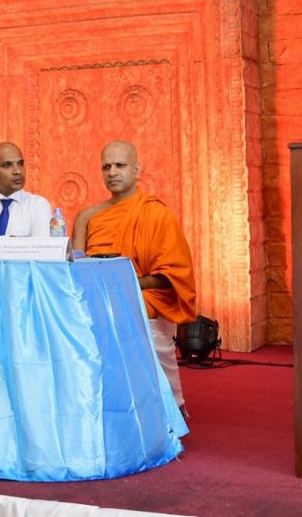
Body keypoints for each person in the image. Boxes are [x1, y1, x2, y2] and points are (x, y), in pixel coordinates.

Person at [71, 141, 196, 412]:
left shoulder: (156, 214)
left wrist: (127, 284)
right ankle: (105, 410)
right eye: (106, 167)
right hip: (100, 298)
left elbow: (171, 276)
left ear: (136, 169)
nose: (113, 172)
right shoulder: (87, 217)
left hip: (143, 296)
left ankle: (170, 408)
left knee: (133, 313)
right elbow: (77, 269)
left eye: (120, 165)